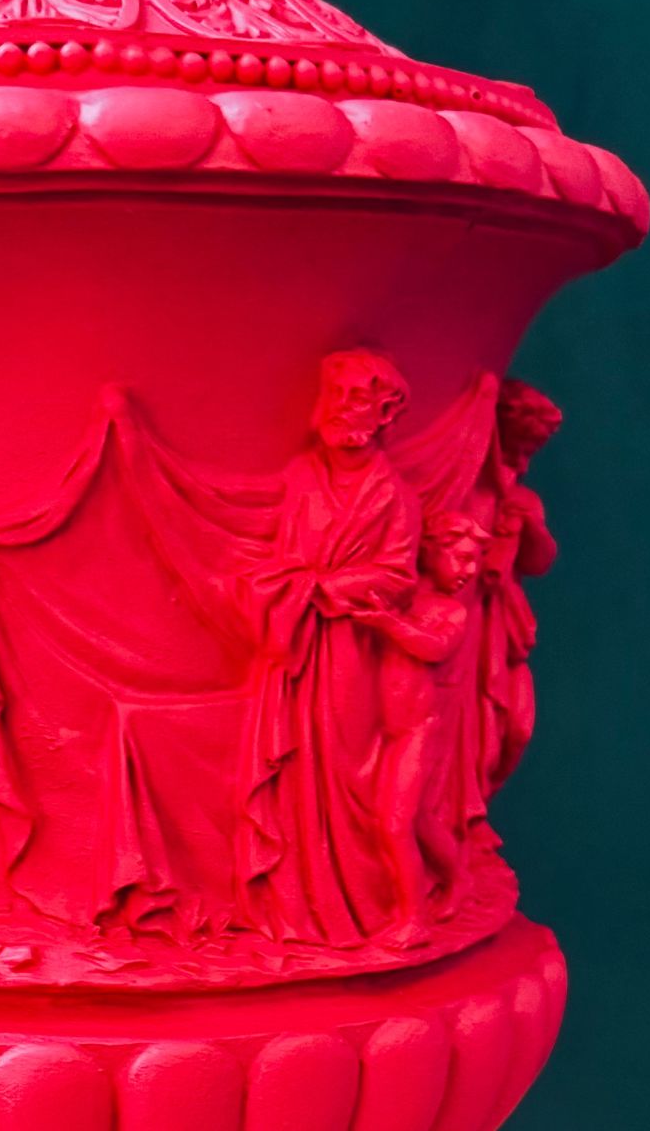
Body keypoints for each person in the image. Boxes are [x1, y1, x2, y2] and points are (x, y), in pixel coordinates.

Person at [236, 349, 421, 947]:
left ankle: (359, 906)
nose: (342, 409)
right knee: (295, 771)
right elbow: (267, 543)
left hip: (349, 648)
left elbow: (399, 576)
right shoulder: (300, 477)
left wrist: (327, 588)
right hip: (294, 646)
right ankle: (294, 907)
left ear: (385, 413)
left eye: (357, 399)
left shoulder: (395, 497)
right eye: (335, 395)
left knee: (346, 772)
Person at [360, 512, 489, 948]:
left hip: (419, 731)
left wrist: (387, 624)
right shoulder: (405, 597)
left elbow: (433, 648)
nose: (468, 570)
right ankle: (457, 878)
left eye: (474, 562)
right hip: (392, 730)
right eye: (461, 558)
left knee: (395, 824)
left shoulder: (451, 611)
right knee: (423, 823)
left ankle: (413, 919)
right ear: (430, 552)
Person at [479, 379, 561, 795]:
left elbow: (540, 561)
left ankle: (473, 802)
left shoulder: (522, 500)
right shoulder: (474, 493)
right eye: (518, 446)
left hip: (504, 621)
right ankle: (464, 809)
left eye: (531, 450)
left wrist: (529, 527)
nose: (523, 459)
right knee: (483, 722)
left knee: (516, 726)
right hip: (472, 618)